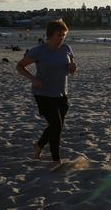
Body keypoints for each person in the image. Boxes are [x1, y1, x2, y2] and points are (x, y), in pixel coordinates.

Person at [16, 19, 77, 169]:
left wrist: (73, 68)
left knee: (56, 126)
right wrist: (33, 79)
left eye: (64, 35)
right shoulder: (38, 51)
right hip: (43, 94)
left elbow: (71, 70)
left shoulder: (67, 49)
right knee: (56, 125)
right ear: (50, 35)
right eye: (59, 35)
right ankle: (56, 160)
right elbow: (20, 66)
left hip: (62, 93)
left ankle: (38, 145)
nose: (61, 38)